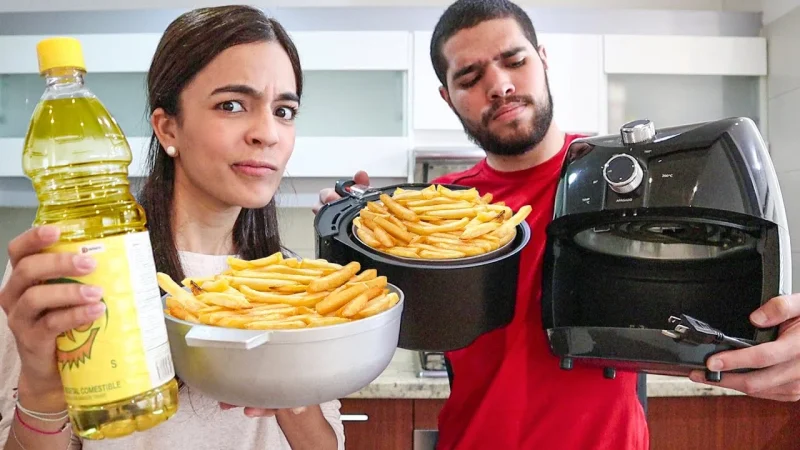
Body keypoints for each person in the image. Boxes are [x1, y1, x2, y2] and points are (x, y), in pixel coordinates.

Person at [315, 1, 800, 449]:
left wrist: (783, 334)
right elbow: (363, 325)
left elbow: (725, 286)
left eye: (515, 60)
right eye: (470, 76)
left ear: (543, 59)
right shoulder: (426, 211)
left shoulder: (624, 182)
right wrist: (341, 242)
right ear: (448, 96)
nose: (500, 84)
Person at [1, 6, 343, 450]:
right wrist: (43, 391)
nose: (267, 133)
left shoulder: (295, 286)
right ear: (168, 128)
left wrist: (288, 390)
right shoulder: (75, 272)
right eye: (232, 105)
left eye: (284, 110)